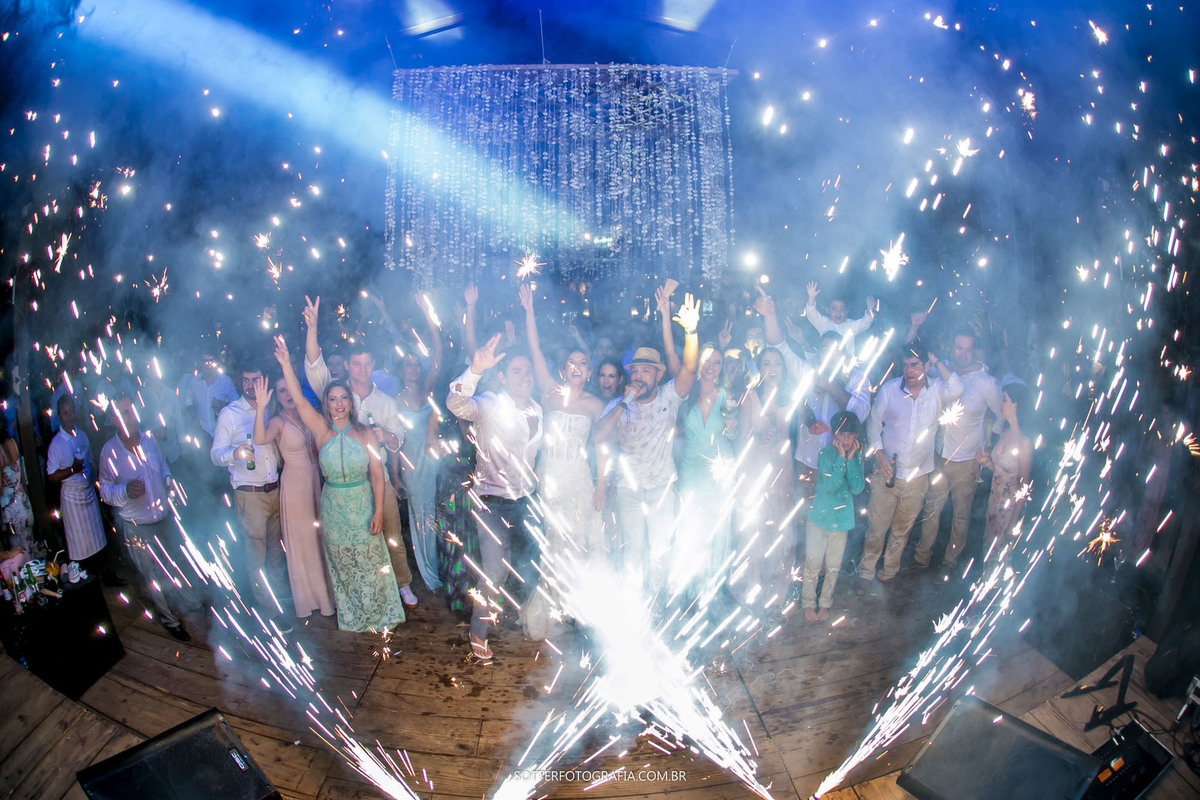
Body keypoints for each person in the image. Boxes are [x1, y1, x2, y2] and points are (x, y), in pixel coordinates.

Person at [275, 337, 406, 633]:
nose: (338, 404)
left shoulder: (366, 433)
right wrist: (285, 365)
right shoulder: (321, 430)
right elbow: (298, 399)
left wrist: (377, 511)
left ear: (350, 402)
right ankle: (353, 614)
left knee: (371, 560)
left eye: (344, 398)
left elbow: (377, 474)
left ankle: (378, 611)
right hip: (333, 507)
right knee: (343, 561)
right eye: (333, 399)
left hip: (362, 503)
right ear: (327, 403)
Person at [303, 295, 420, 609]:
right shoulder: (336, 394)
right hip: (347, 486)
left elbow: (399, 440)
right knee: (356, 540)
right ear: (347, 366)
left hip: (379, 477)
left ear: (373, 366)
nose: (362, 369)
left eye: (368, 364)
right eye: (356, 363)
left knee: (392, 533)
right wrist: (312, 326)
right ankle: (362, 590)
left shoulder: (386, 402)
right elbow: (314, 366)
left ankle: (402, 584)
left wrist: (386, 435)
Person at [593, 290, 700, 592]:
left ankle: (658, 600)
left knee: (660, 551)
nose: (639, 375)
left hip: (662, 488)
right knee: (633, 549)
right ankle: (634, 601)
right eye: (636, 370)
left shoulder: (669, 396)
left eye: (646, 371)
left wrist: (691, 332)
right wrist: (625, 402)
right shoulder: (618, 404)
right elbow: (599, 437)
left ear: (657, 374)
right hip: (629, 490)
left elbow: (690, 368)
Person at [446, 333, 544, 662]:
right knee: (495, 571)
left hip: (526, 501)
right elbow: (457, 404)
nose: (525, 376)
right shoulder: (490, 403)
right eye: (516, 371)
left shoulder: (537, 409)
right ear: (502, 376)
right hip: (491, 502)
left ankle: (526, 614)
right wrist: (475, 369)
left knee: (530, 564)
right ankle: (478, 631)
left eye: (528, 370)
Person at [860, 348, 963, 596]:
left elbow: (958, 388)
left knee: (902, 529)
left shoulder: (937, 389)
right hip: (886, 472)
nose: (910, 371)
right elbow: (873, 423)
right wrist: (879, 454)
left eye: (916, 365)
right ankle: (865, 573)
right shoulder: (889, 390)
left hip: (918, 476)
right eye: (906, 365)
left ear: (926, 366)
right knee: (877, 527)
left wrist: (937, 360)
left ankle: (888, 574)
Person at [98, 395, 198, 641]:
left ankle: (189, 603)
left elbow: (162, 466)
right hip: (137, 526)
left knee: (176, 563)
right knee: (153, 575)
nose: (131, 417)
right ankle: (170, 619)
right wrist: (125, 490)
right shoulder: (109, 451)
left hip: (164, 518)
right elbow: (105, 491)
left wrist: (167, 479)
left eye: (132, 411)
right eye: (124, 413)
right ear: (114, 419)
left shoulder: (149, 439)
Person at [210, 357, 290, 632]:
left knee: (277, 551)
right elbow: (215, 454)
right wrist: (233, 454)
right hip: (249, 494)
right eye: (245, 380)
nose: (250, 385)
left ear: (264, 380)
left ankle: (279, 599)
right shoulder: (230, 414)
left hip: (276, 490)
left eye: (255, 379)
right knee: (256, 556)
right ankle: (269, 611)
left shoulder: (272, 409)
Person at [914, 331, 1002, 571]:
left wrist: (989, 445)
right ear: (951, 347)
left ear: (975, 352)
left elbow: (1000, 417)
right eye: (959, 348)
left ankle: (949, 563)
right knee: (932, 508)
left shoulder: (987, 383)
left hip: (967, 460)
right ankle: (921, 557)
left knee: (961, 514)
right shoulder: (941, 371)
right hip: (939, 455)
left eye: (968, 349)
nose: (963, 354)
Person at [252, 374, 336, 620]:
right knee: (304, 542)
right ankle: (310, 601)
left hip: (316, 480)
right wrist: (260, 407)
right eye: (282, 391)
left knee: (320, 538)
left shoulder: (307, 414)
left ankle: (329, 597)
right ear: (277, 397)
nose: (288, 394)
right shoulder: (277, 422)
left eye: (290, 388)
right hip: (295, 486)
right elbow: (259, 439)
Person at [736, 346, 798, 607]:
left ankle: (779, 592)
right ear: (759, 369)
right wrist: (758, 439)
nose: (772, 369)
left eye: (777, 364)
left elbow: (793, 434)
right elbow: (741, 442)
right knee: (755, 532)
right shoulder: (750, 398)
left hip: (783, 472)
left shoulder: (791, 398)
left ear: (784, 370)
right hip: (755, 474)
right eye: (766, 364)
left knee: (782, 532)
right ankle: (753, 590)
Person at [676, 341, 737, 592]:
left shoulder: (726, 396)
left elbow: (733, 434)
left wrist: (732, 427)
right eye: (707, 360)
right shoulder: (685, 394)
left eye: (717, 362)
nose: (711, 366)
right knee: (691, 525)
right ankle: (690, 586)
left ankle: (715, 586)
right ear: (698, 363)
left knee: (718, 526)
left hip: (720, 469)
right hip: (691, 469)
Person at [395, 295, 445, 592]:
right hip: (411, 465)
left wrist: (428, 313)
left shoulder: (427, 391)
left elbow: (438, 353)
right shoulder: (393, 401)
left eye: (416, 364)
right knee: (421, 516)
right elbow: (392, 442)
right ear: (401, 370)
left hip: (432, 461)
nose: (413, 369)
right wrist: (395, 474)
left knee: (434, 514)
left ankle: (436, 567)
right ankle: (428, 571)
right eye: (408, 365)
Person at [804, 411, 866, 621]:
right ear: (834, 435)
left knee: (833, 566)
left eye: (851, 435)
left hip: (841, 522)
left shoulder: (857, 456)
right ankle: (808, 603)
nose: (846, 440)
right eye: (842, 434)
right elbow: (831, 485)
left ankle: (825, 603)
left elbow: (857, 488)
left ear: (856, 436)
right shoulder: (826, 454)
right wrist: (841, 458)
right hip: (819, 519)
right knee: (813, 563)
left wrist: (852, 460)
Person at [46, 395, 112, 578]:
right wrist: (71, 470)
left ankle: (105, 574)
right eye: (65, 413)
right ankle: (85, 577)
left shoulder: (82, 435)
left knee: (97, 535)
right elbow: (52, 475)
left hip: (88, 492)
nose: (69, 416)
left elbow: (90, 461)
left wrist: (96, 481)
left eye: (71, 412)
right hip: (71, 496)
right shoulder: (56, 444)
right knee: (79, 541)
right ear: (59, 415)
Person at [977, 383, 1033, 559]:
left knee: (1001, 556)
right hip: (994, 502)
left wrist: (1014, 520)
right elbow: (1000, 472)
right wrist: (986, 462)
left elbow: (1024, 487)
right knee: (988, 551)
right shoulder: (1004, 433)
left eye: (1005, 400)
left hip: (1009, 507)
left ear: (1016, 405)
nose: (1001, 404)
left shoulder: (1024, 442)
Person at [803, 281, 876, 354]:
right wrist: (811, 298)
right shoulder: (824, 323)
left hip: (845, 360)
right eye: (834, 309)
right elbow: (811, 313)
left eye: (842, 310)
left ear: (846, 312)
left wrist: (869, 310)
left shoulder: (850, 325)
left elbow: (865, 323)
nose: (838, 313)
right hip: (827, 359)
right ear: (827, 310)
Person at [1, 431, 33, 553]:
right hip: (23, 500)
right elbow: (23, 477)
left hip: (11, 508)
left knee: (19, 549)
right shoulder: (12, 442)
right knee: (29, 542)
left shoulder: (1, 451)